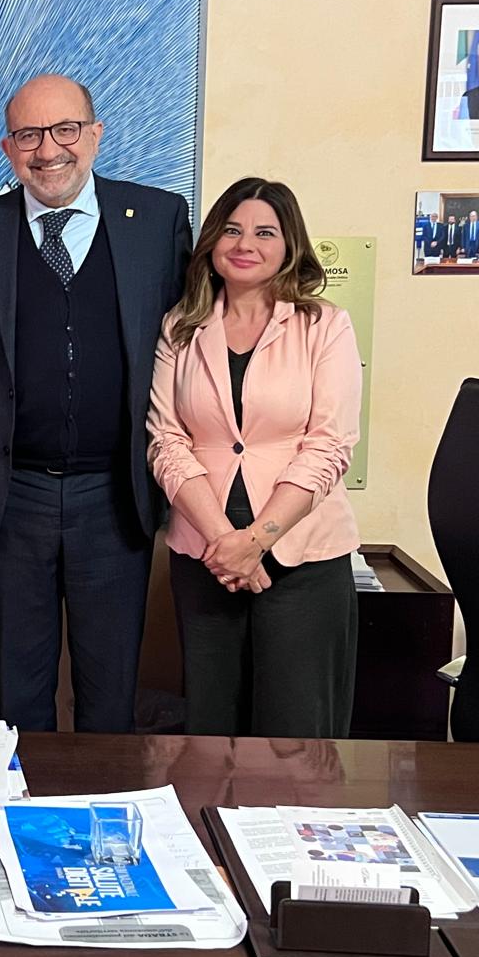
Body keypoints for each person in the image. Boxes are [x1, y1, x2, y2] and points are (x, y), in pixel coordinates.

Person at [0, 74, 191, 733]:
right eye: (28, 135)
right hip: (13, 494)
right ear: (7, 147)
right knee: (22, 689)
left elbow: (192, 352)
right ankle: (26, 799)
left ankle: (105, 799)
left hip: (115, 495)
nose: (48, 150)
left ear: (95, 135)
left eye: (65, 130)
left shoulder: (158, 222)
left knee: (110, 689)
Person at [147, 176, 362, 738]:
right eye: (232, 230)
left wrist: (256, 540)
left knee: (296, 733)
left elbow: (330, 443)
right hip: (206, 555)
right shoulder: (181, 327)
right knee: (211, 727)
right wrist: (226, 544)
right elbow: (166, 440)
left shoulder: (324, 325)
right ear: (212, 242)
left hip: (303, 555)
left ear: (290, 245)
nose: (245, 244)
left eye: (265, 232)